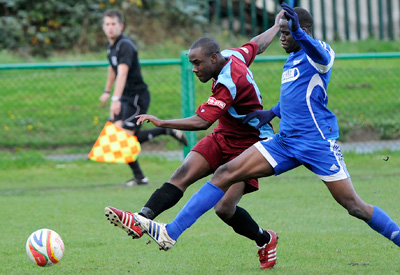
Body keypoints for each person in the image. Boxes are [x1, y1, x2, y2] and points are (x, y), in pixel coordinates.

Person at [132, 3, 400, 261]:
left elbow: (321, 56)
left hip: (317, 144)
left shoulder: (320, 55)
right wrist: (271, 112)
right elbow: (297, 97)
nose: (282, 38)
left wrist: (297, 32)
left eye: (287, 33)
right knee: (225, 173)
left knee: (354, 206)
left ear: (302, 30)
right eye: (281, 32)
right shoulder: (292, 60)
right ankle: (171, 232)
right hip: (285, 142)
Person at [105, 10, 286, 270]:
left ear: (214, 58)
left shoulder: (228, 82)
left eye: (198, 63)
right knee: (183, 173)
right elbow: (257, 44)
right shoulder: (232, 55)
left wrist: (162, 122)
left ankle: (265, 239)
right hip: (224, 134)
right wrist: (276, 25)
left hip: (251, 144)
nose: (194, 69)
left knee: (224, 208)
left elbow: (202, 122)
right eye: (192, 62)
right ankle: (140, 218)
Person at [100, 9, 188, 187]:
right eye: (107, 24)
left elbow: (122, 73)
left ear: (121, 26)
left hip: (136, 98)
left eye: (113, 24)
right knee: (118, 139)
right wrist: (107, 91)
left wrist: (114, 101)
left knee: (124, 138)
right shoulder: (111, 45)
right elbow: (113, 68)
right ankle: (140, 177)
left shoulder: (125, 45)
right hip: (124, 97)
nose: (110, 28)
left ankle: (166, 130)